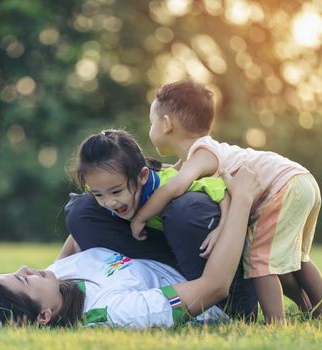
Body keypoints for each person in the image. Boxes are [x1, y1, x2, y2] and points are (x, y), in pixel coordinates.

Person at [129, 79, 322, 323]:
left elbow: (175, 187)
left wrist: (141, 216)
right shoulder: (199, 156)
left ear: (166, 124)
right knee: (298, 258)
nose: (150, 128)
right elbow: (173, 176)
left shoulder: (202, 154)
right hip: (301, 180)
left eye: (151, 122)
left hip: (281, 187)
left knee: (259, 260)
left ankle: (275, 324)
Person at [0, 166, 261, 328]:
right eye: (23, 279)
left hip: (164, 257)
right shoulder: (115, 312)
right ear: (43, 316)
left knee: (79, 212)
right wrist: (241, 200)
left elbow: (81, 229)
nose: (25, 268)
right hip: (217, 288)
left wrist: (154, 182)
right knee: (186, 212)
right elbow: (214, 287)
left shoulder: (56, 278)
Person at [61, 130, 257, 320]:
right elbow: (81, 227)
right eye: (99, 194)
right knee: (79, 211)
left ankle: (227, 305)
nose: (110, 202)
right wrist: (56, 270)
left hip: (205, 258)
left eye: (116, 191)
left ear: (142, 176)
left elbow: (219, 190)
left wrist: (222, 227)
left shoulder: (171, 183)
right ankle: (166, 285)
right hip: (167, 263)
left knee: (184, 210)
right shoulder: (112, 199)